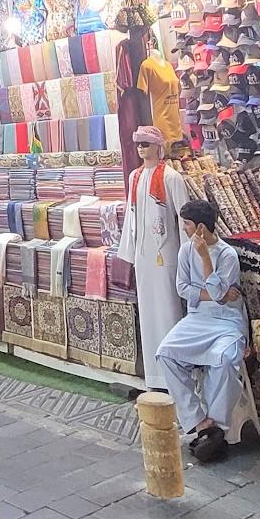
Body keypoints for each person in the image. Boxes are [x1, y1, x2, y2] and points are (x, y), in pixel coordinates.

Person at [155, 199, 249, 465]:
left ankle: (216, 429)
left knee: (225, 359)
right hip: (197, 319)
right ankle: (199, 421)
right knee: (166, 353)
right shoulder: (185, 251)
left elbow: (222, 297)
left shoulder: (227, 255)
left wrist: (206, 259)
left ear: (199, 228)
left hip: (227, 322)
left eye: (186, 223)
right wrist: (214, 295)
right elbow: (183, 289)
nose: (183, 228)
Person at [116, 126, 189, 378]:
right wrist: (130, 252)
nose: (141, 149)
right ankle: (155, 375)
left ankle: (175, 374)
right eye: (138, 144)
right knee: (148, 314)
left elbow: (184, 219)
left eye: (146, 144)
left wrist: (187, 257)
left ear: (158, 146)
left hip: (166, 253)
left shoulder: (172, 178)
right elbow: (131, 215)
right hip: (144, 255)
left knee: (169, 309)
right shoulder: (134, 177)